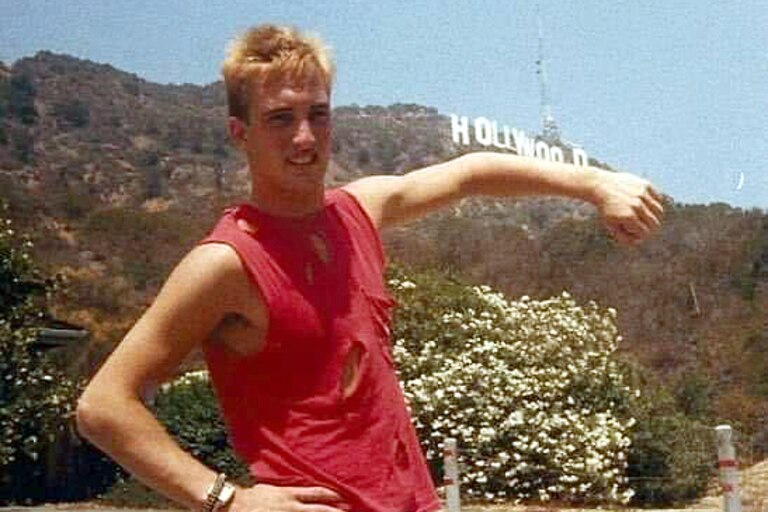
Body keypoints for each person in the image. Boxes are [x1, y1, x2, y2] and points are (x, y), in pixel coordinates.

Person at [76, 24, 664, 512]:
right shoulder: (226, 264)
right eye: (281, 118)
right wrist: (228, 500)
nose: (305, 137)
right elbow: (103, 406)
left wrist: (594, 182)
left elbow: (468, 173)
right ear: (241, 133)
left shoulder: (358, 211)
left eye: (319, 114)